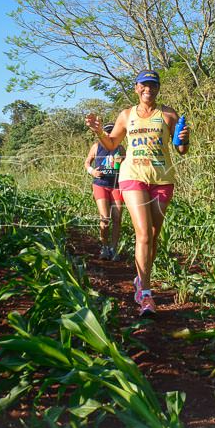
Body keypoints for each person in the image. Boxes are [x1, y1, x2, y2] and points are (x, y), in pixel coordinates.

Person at [85, 69, 190, 316]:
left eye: (153, 86)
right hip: (132, 177)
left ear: (158, 89)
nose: (148, 90)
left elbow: (181, 149)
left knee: (153, 236)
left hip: (163, 180)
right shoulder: (126, 115)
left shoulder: (168, 114)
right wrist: (99, 131)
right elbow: (111, 144)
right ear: (136, 88)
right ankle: (144, 293)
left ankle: (141, 279)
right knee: (142, 234)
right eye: (144, 85)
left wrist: (184, 137)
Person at [84, 123, 124, 260]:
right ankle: (104, 247)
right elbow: (87, 162)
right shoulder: (96, 147)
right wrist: (92, 171)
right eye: (106, 132)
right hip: (100, 185)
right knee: (105, 218)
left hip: (116, 186)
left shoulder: (120, 148)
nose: (109, 134)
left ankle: (113, 248)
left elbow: (125, 166)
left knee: (117, 218)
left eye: (112, 132)